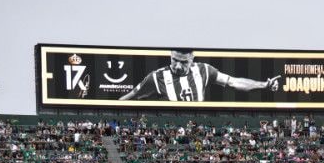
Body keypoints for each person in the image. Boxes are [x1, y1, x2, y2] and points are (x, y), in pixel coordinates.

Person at [119, 49, 280, 102]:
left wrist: (263, 85)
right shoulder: (156, 77)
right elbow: (131, 96)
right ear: (170, 56)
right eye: (175, 60)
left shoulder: (204, 70)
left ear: (192, 59)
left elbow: (233, 82)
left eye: (184, 62)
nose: (178, 66)